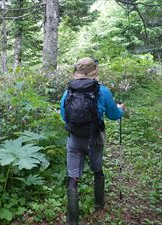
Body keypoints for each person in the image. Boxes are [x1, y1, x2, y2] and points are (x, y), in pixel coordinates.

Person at [60, 57, 125, 225]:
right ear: (93, 72)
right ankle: (99, 203)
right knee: (97, 170)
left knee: (73, 177)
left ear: (77, 73)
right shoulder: (102, 91)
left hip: (74, 139)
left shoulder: (68, 92)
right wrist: (121, 110)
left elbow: (63, 116)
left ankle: (73, 220)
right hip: (94, 139)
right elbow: (113, 115)